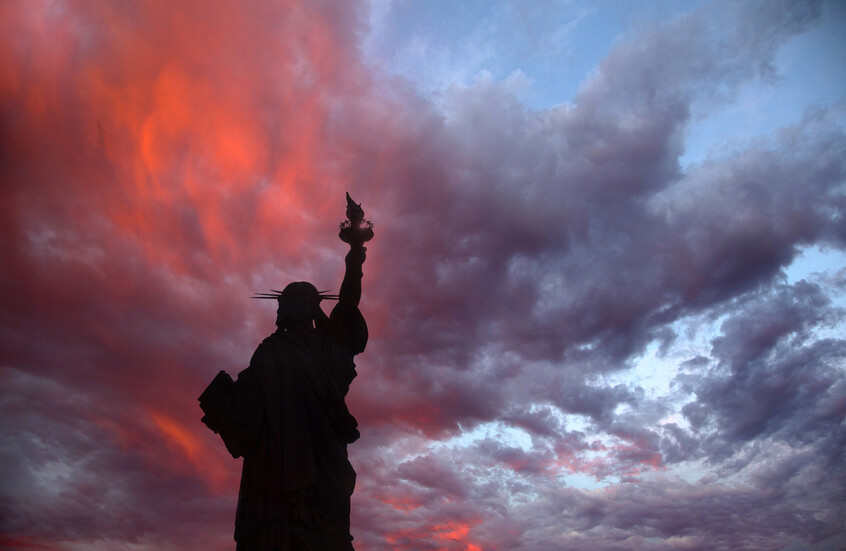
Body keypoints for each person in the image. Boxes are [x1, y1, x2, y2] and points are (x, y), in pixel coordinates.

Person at [200, 239, 368, 550]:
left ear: (298, 307)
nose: (278, 309)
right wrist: (223, 403)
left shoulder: (317, 347)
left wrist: (356, 253)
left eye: (283, 303)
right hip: (281, 467)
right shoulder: (275, 351)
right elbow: (247, 410)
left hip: (307, 465)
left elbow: (347, 303)